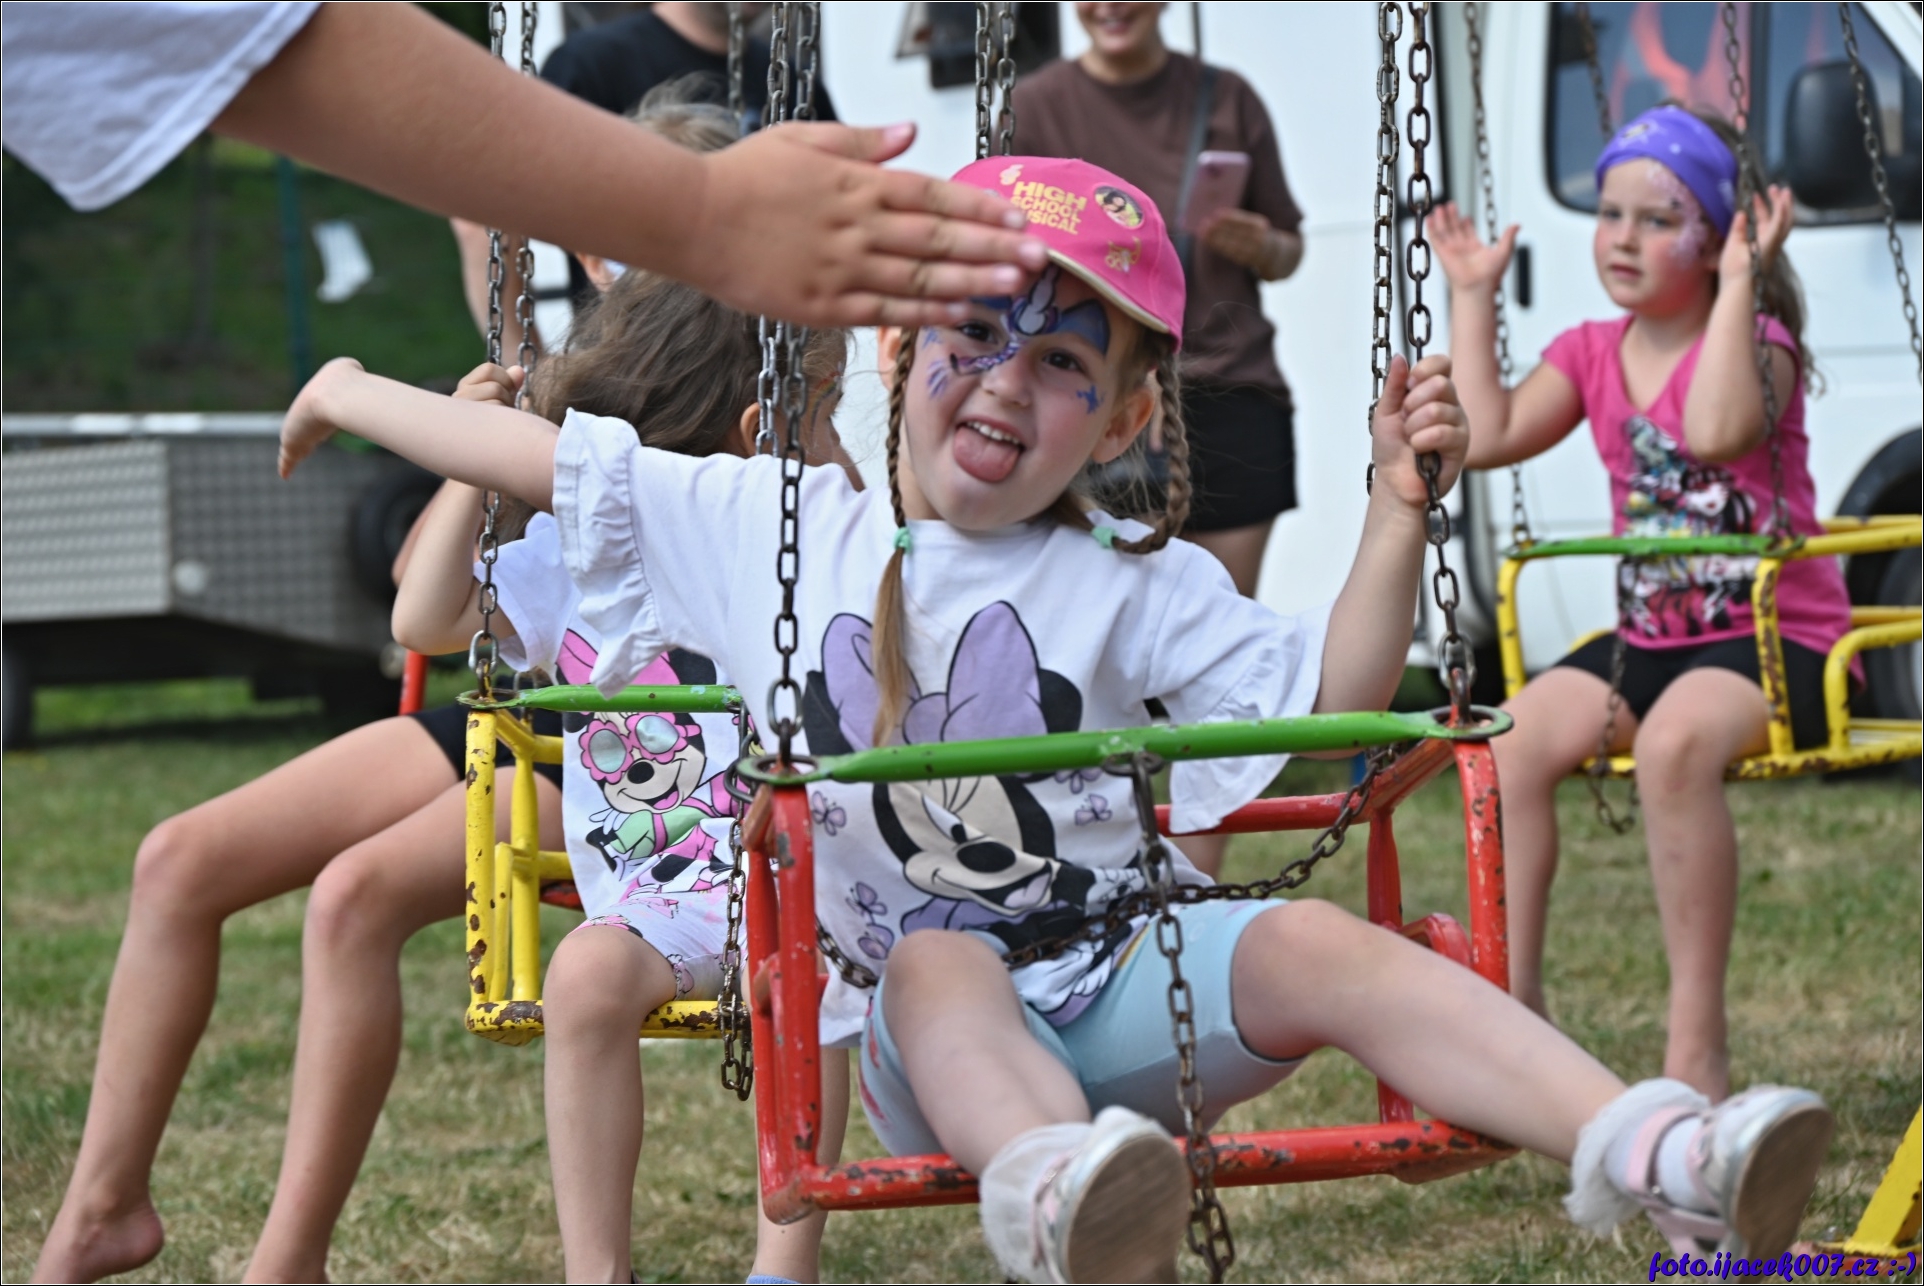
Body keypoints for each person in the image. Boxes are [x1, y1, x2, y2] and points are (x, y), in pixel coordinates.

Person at [277, 155, 1836, 1284]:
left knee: (1321, 941)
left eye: (1064, 361)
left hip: (1133, 991)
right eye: (975, 334)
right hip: (925, 1040)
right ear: (899, 347)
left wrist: (1392, 509)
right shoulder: (772, 527)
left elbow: (1331, 706)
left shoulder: (1131, 580)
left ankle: (1656, 1144)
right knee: (941, 955)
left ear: (1127, 415)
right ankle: (1056, 1186)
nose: (1007, 383)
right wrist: (348, 387)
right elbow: (553, 461)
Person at [373, 274, 855, 1286]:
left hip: (793, 884)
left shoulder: (796, 542)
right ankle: (598, 1272)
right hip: (655, 897)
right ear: (760, 427)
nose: (838, 444)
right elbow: (423, 618)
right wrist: (470, 458)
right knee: (583, 976)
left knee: (802, 976)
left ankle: (783, 1267)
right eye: (829, 413)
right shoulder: (577, 561)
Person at [1429, 105, 1852, 1105]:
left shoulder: (1762, 344)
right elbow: (1487, 433)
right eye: (1610, 213)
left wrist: (1743, 283)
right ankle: (1515, 1013)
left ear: (1719, 237)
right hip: (1651, 642)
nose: (1622, 237)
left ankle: (1695, 1043)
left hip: (1772, 641)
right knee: (1505, 743)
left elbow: (1713, 431)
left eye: (1659, 220)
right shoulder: (1589, 350)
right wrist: (1473, 294)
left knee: (1671, 747)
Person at [27, 559, 566, 1285]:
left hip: (651, 739)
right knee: (176, 862)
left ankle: (289, 1267)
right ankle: (101, 1212)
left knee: (351, 897)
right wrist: (476, 484)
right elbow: (416, 594)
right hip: (524, 707)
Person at [0, 1, 1046, 328]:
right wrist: (513, 353)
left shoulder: (787, 69)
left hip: (764, 362)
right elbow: (483, 208)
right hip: (644, 360)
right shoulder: (597, 64)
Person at [1012, 1, 1307, 877]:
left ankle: (1189, 889)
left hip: (1231, 390)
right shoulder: (1037, 106)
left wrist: (1259, 243)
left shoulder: (1229, 97)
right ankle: (1096, 869)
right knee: (1095, 654)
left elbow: (1288, 248)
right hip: (1102, 395)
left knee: (1211, 669)